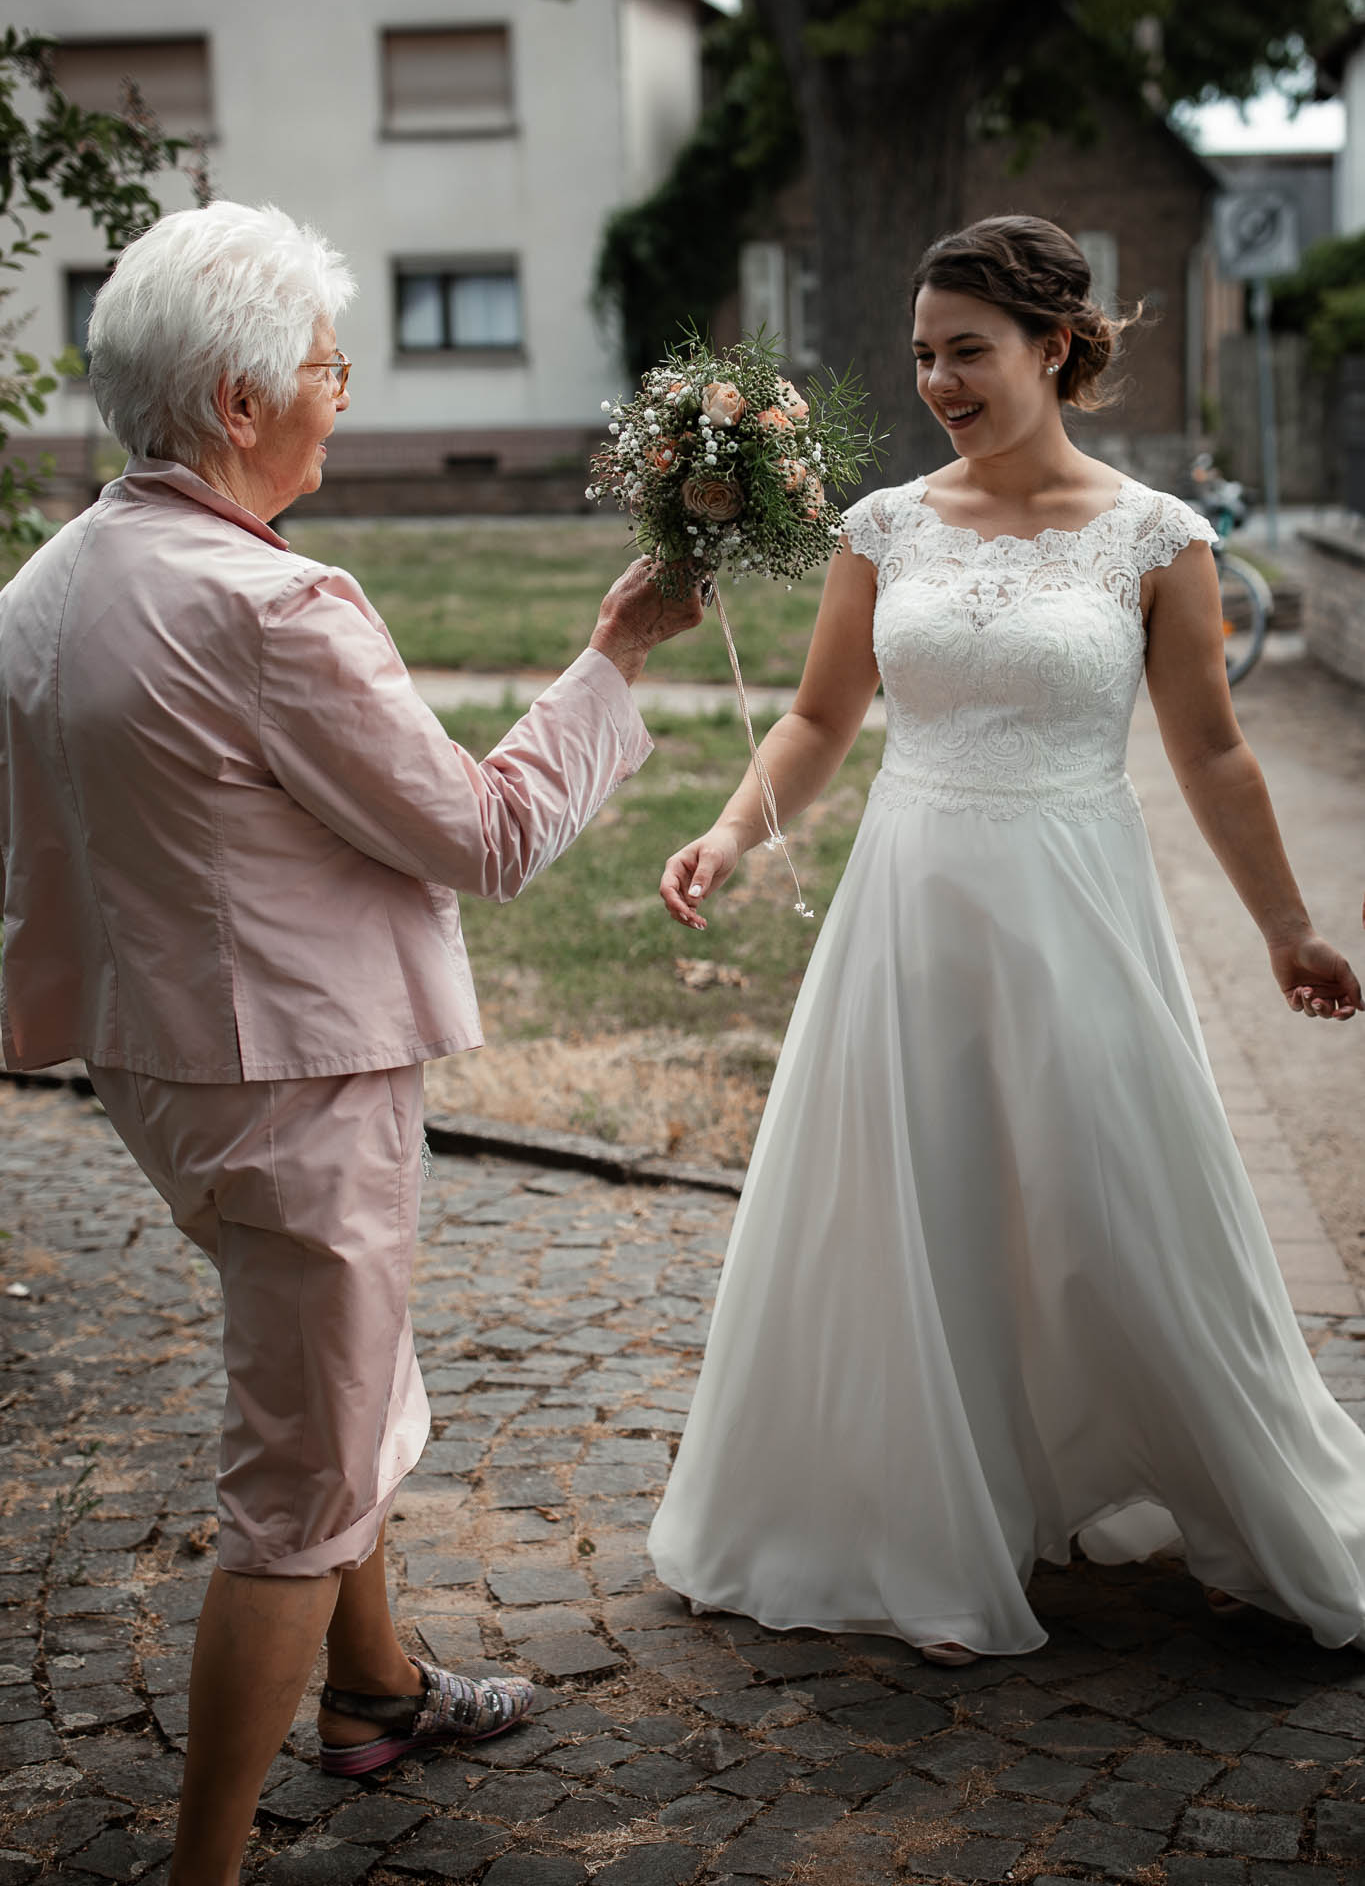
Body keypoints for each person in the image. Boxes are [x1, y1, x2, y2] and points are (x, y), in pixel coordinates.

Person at [0, 200, 701, 1886]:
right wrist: (611, 660)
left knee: (334, 1386)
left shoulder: (45, 580)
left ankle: (373, 1694)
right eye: (324, 367)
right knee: (298, 1491)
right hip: (295, 1084)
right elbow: (488, 836)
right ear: (238, 404)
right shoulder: (275, 606)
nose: (344, 394)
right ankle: (206, 1867)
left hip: (155, 1067)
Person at [648, 214, 1365, 1666]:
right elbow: (818, 718)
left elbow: (1214, 753)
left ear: (1053, 345)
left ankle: (1226, 1490)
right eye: (922, 355)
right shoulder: (886, 526)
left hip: (1073, 903)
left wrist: (1286, 927)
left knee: (1114, 1204)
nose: (938, 382)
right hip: (908, 910)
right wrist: (733, 831)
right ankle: (929, 1510)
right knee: (923, 1203)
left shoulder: (1161, 539)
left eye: (966, 352)